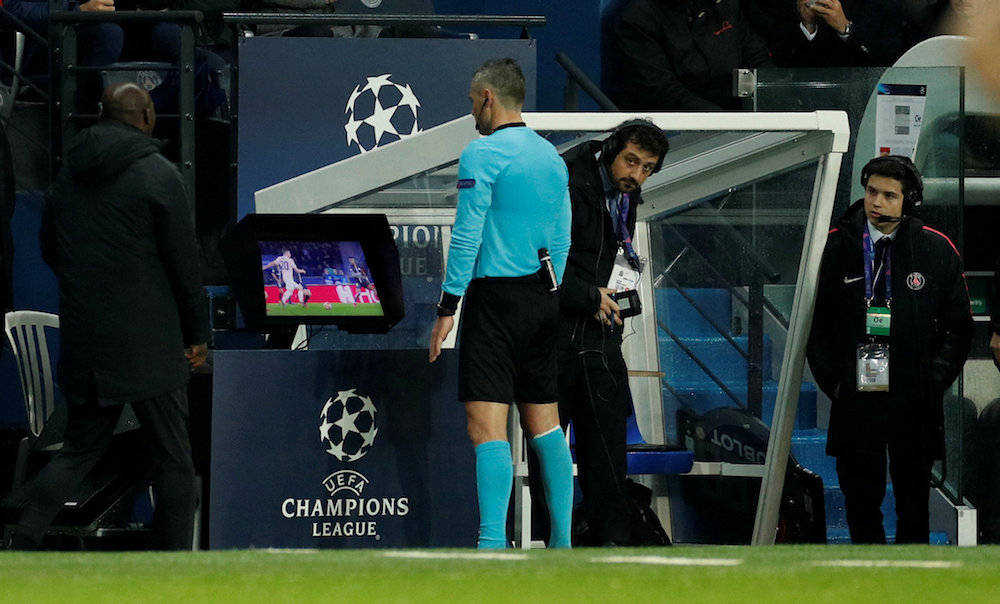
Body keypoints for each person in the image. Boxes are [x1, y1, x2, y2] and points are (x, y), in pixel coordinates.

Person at [10, 82, 209, 550]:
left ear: (102, 115)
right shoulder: (158, 175)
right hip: (150, 348)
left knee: (76, 454)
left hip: (88, 344)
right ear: (148, 117)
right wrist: (197, 333)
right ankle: (173, 570)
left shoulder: (68, 173)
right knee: (174, 461)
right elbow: (186, 266)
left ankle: (20, 548)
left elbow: (50, 247)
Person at [428, 58, 574, 549]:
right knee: (545, 424)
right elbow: (562, 236)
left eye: (473, 103)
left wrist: (448, 306)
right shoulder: (552, 158)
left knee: (486, 427)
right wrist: (550, 290)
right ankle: (563, 547)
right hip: (543, 300)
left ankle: (491, 547)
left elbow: (467, 232)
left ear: (488, 97)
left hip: (495, 301)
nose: (472, 113)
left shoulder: (482, 153)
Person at [806, 155, 973, 544]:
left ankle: (911, 574)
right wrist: (835, 383)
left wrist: (931, 381)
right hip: (856, 397)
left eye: (889, 196)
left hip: (914, 400)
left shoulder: (935, 249)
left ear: (909, 201)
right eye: (871, 192)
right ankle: (869, 573)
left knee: (913, 503)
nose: (876, 202)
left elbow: (959, 328)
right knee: (860, 500)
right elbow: (817, 325)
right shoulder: (834, 245)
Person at [551, 119, 669, 546]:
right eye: (631, 161)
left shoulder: (625, 193)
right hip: (556, 339)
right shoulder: (565, 181)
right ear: (611, 149)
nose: (636, 175)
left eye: (647, 168)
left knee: (608, 455)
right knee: (548, 451)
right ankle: (549, 547)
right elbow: (540, 259)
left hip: (601, 338)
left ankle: (611, 551)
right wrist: (587, 296)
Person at [611, 0, 773, 111]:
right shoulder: (637, 20)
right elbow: (662, 92)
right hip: (681, 128)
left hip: (742, 116)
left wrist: (772, 100)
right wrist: (725, 120)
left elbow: (758, 60)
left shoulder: (725, 5)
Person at [768, 0, 908, 67]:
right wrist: (808, 26)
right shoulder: (795, 4)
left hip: (864, 94)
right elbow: (779, 62)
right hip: (807, 98)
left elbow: (890, 59)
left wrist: (846, 29)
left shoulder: (883, 5)